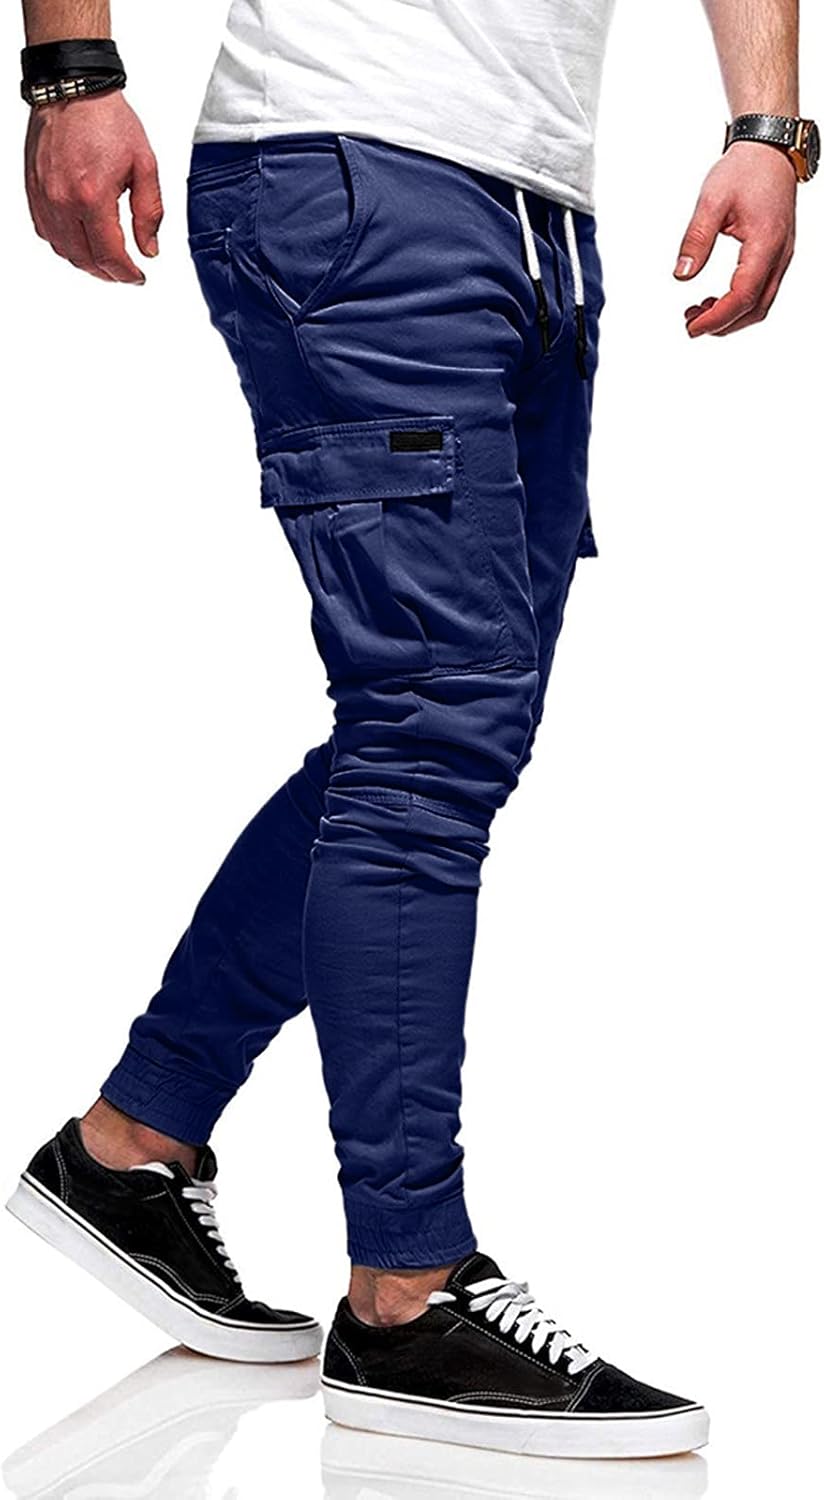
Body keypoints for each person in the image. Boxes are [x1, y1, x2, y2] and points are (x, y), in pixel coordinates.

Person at [9, 0, 817, 1462]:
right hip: (354, 161)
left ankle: (133, 1141)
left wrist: (769, 126)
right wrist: (71, 73)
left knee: (442, 728)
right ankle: (407, 1292)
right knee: (430, 730)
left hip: (535, 205)